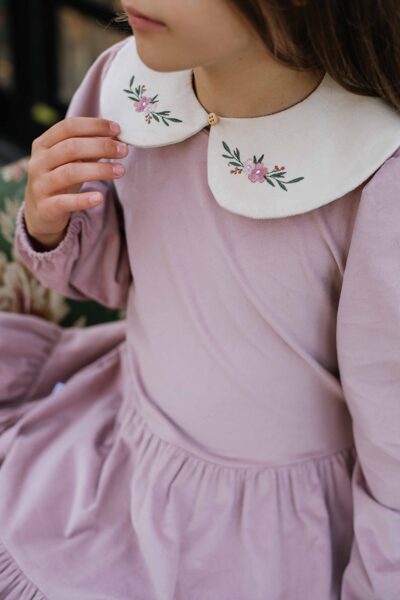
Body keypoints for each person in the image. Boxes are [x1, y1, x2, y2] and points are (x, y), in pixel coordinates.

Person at [1, 0, 400, 597]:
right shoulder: (126, 81)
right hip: (120, 447)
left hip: (263, 535)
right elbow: (114, 278)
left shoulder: (373, 176)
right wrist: (50, 219)